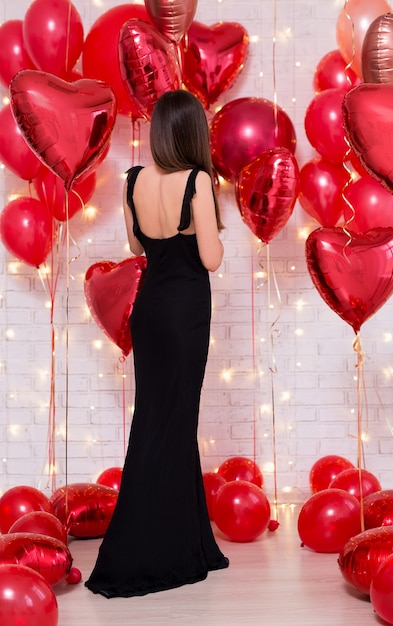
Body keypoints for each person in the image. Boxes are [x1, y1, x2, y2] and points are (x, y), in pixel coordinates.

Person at [85, 89, 229, 598]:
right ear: (192, 133)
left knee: (158, 418)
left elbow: (134, 245)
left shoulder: (133, 180)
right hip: (185, 310)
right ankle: (154, 550)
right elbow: (210, 259)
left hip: (149, 313)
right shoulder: (199, 180)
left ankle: (192, 543)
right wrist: (210, 230)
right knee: (173, 421)